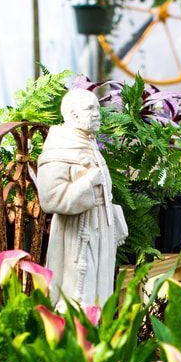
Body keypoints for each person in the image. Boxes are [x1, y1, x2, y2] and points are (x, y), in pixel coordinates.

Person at [35, 89, 128, 309]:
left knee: (100, 298)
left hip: (100, 232)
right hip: (77, 235)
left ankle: (96, 341)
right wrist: (87, 183)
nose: (97, 114)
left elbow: (104, 190)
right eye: (90, 109)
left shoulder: (89, 144)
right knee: (76, 298)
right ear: (72, 116)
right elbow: (50, 199)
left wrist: (114, 217)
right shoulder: (59, 149)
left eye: (97, 108)